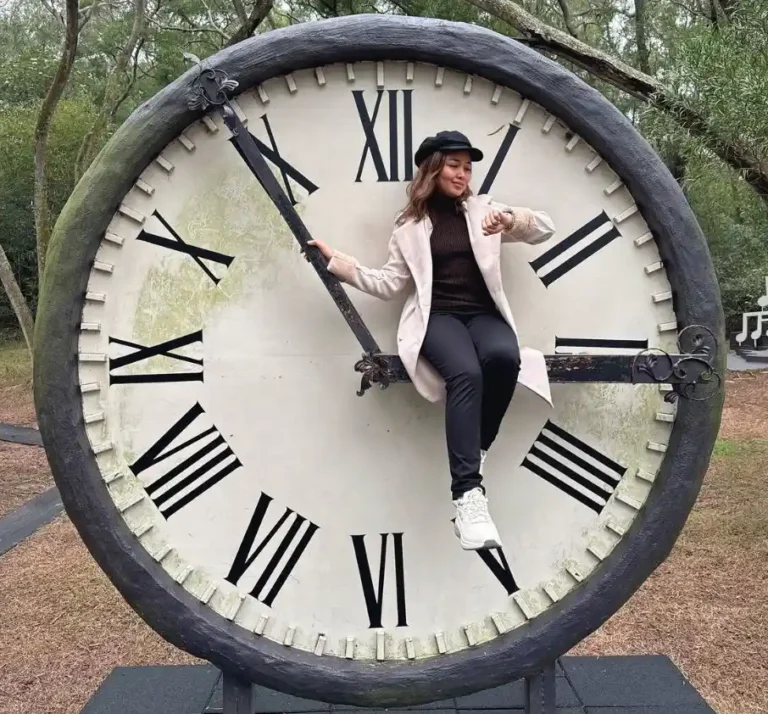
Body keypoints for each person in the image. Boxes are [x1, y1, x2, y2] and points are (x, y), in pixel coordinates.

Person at [309, 130, 555, 551]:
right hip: (437, 318)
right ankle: (468, 497)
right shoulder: (409, 226)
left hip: (482, 315)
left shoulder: (483, 211)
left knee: (503, 358)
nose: (462, 174)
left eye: (467, 167)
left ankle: (476, 447)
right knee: (465, 374)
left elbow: (544, 229)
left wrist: (509, 220)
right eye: (454, 165)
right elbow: (390, 283)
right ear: (434, 168)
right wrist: (339, 263)